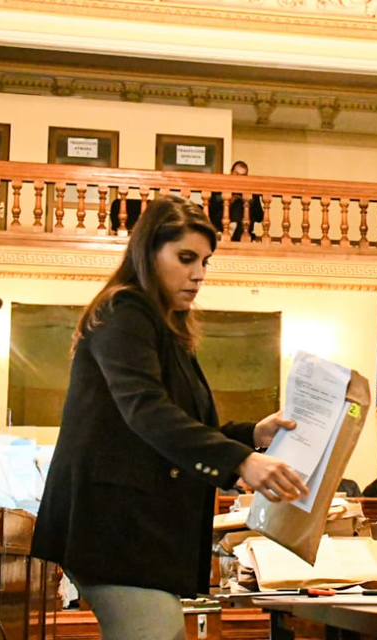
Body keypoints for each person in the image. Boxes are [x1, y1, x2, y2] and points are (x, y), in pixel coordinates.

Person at [31, 195, 311, 639]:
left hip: (134, 531)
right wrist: (240, 460)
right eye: (185, 258)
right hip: (110, 526)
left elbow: (177, 423)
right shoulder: (124, 311)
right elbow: (146, 411)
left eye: (205, 261)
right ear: (148, 252)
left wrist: (252, 434)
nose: (198, 274)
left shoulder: (166, 328)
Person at [209, 160, 265, 242]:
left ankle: (233, 231)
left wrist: (247, 204)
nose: (239, 178)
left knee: (240, 204)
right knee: (237, 203)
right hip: (223, 225)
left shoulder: (251, 191)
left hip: (243, 228)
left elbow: (259, 217)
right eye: (236, 174)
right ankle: (231, 230)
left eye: (242, 175)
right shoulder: (220, 188)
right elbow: (211, 212)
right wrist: (227, 202)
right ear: (231, 172)